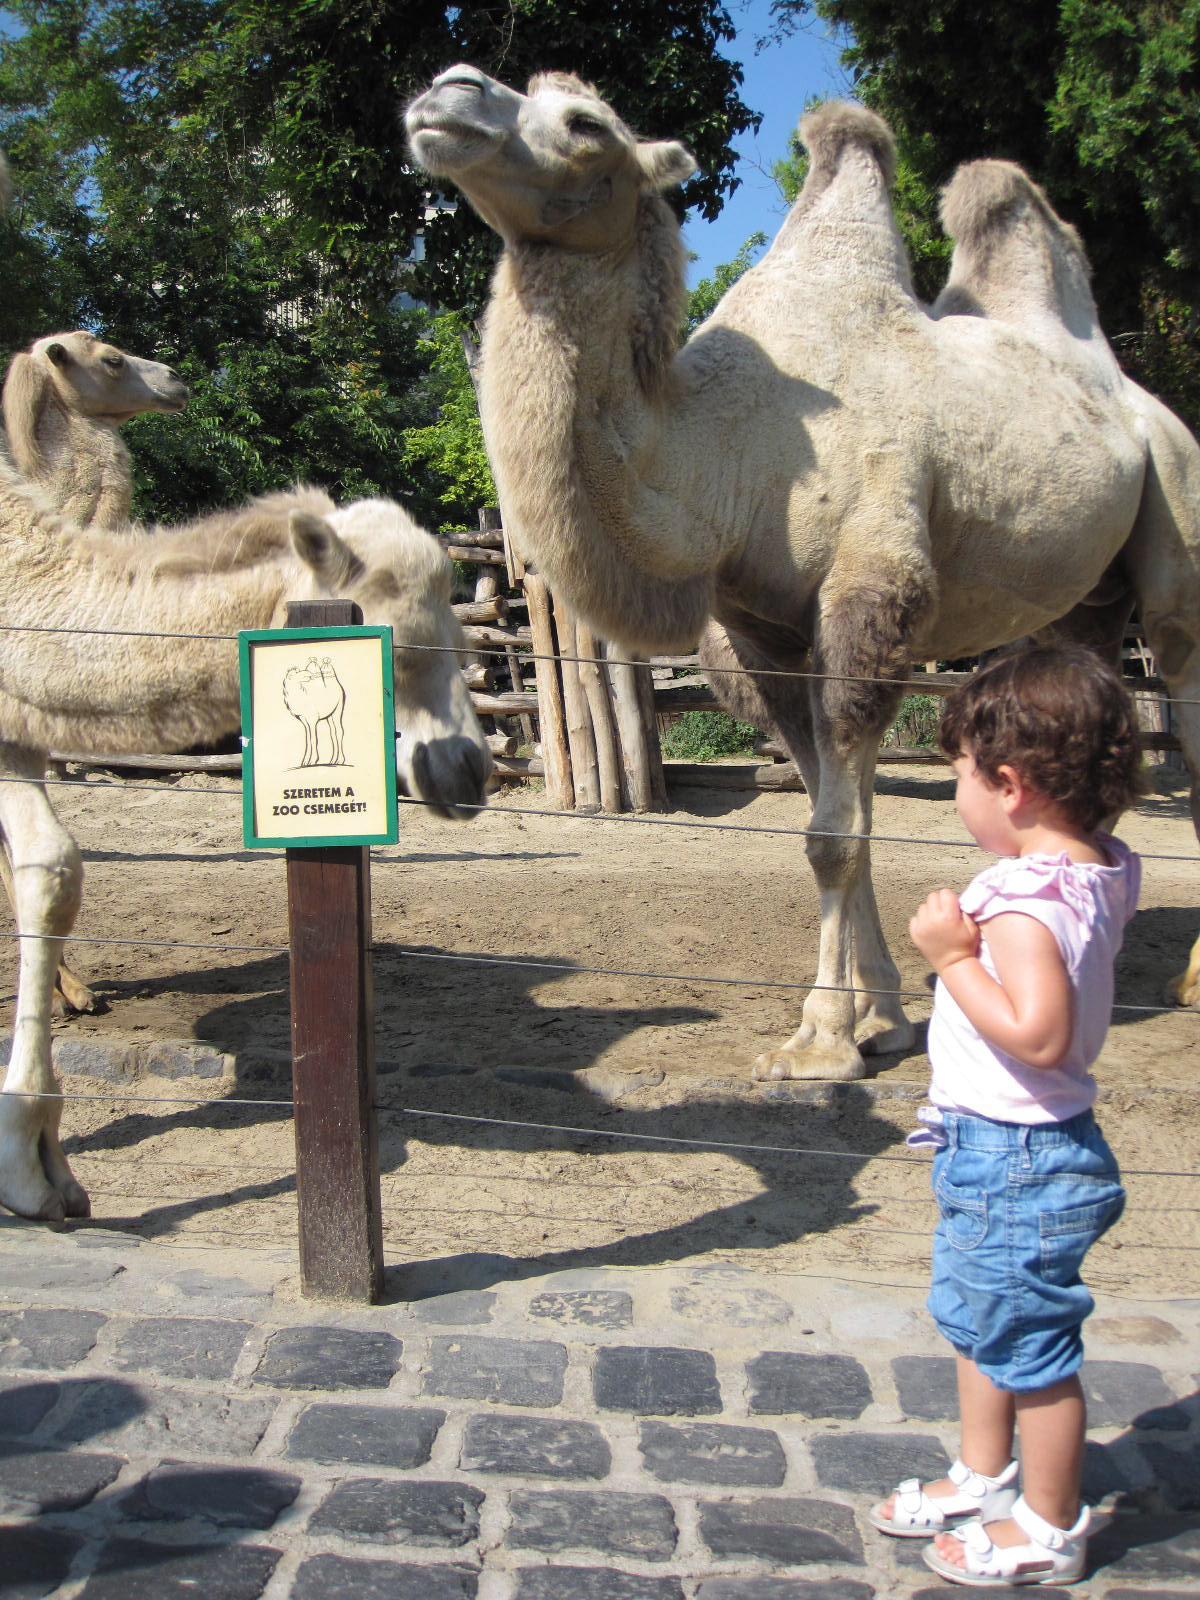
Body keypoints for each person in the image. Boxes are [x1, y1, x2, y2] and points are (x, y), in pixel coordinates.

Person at [871, 642, 1144, 1588]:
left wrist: (951, 958)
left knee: (1032, 1349)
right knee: (988, 1321)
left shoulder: (1026, 903)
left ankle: (1049, 1524)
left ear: (1010, 783)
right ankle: (984, 1475)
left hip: (1018, 1158)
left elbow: (1038, 1037)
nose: (958, 794)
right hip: (1006, 1149)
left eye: (958, 776)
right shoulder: (1101, 867)